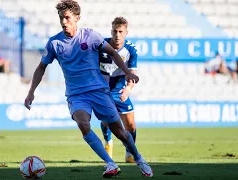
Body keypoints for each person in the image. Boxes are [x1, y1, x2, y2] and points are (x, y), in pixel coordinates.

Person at [24, 0, 153, 178]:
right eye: (61, 18)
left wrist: (127, 73)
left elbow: (114, 53)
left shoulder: (91, 36)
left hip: (99, 91)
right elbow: (41, 68)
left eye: (67, 18)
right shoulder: (54, 43)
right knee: (83, 124)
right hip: (76, 94)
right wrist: (31, 92)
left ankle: (139, 158)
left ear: (77, 18)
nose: (63, 22)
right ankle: (110, 163)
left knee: (120, 132)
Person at [99, 17, 138, 163]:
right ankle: (108, 143)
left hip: (120, 90)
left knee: (130, 124)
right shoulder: (100, 45)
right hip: (102, 91)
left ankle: (129, 151)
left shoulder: (131, 49)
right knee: (106, 122)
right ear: (111, 31)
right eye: (115, 31)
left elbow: (133, 73)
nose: (117, 35)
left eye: (121, 31)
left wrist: (128, 89)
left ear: (126, 33)